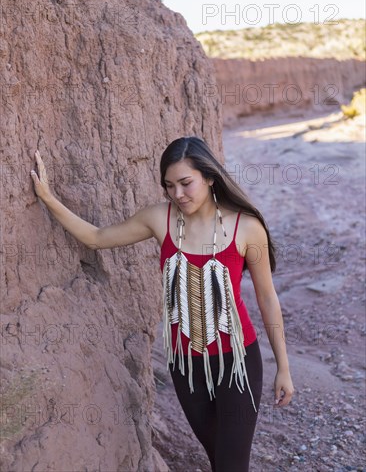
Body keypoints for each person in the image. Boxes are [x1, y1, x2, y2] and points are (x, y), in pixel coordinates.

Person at [30, 136, 294, 472]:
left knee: (231, 465)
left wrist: (283, 368)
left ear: (210, 177)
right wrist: (48, 198)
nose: (177, 194)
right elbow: (96, 238)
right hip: (185, 366)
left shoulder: (246, 227)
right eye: (169, 186)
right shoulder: (160, 219)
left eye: (186, 183)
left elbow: (267, 298)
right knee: (217, 457)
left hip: (237, 364)